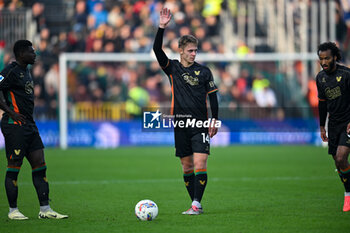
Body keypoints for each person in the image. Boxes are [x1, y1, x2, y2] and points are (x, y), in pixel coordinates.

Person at [153, 8, 219, 215]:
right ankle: (194, 204)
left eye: (195, 51)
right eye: (190, 50)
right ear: (181, 50)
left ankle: (196, 204)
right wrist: (161, 27)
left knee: (200, 162)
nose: (193, 54)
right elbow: (157, 50)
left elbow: (213, 97)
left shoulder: (204, 71)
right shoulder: (172, 68)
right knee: (187, 167)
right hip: (180, 124)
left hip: (200, 124)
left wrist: (214, 120)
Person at [0, 40, 68, 220]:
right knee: (14, 168)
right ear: (21, 54)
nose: (34, 54)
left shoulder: (26, 71)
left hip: (29, 125)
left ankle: (45, 210)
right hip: (14, 125)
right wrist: (9, 112)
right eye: (31, 51)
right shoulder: (10, 71)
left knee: (40, 165)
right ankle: (13, 211)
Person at [316, 42, 350, 212]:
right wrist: (322, 126)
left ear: (335, 57)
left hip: (348, 123)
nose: (324, 62)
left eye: (327, 58)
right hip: (334, 124)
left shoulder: (346, 74)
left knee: (341, 157)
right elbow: (322, 104)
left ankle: (348, 195)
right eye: (321, 59)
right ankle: (348, 192)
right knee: (338, 163)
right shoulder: (320, 78)